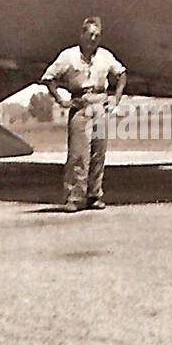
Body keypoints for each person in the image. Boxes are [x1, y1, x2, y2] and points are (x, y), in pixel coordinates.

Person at [41, 17, 127, 211]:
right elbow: (48, 78)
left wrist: (116, 98)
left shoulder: (105, 56)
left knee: (99, 153)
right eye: (90, 35)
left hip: (100, 105)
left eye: (97, 36)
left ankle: (94, 195)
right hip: (81, 105)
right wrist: (61, 100)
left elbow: (122, 74)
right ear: (82, 35)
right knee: (79, 155)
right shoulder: (68, 56)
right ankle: (73, 197)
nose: (93, 39)